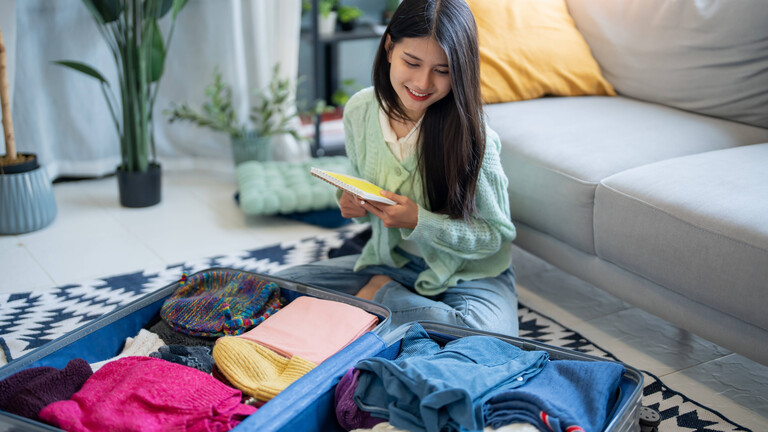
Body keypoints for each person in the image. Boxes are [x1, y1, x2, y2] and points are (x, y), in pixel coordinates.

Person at [275, 0, 518, 336]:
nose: (423, 82)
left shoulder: (475, 139)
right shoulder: (361, 110)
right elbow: (362, 179)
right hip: (394, 261)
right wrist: (347, 198)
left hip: (467, 274)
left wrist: (421, 221)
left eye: (442, 70)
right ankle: (389, 303)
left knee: (484, 333)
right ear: (389, 47)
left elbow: (495, 236)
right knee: (280, 287)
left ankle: (380, 298)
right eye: (412, 62)